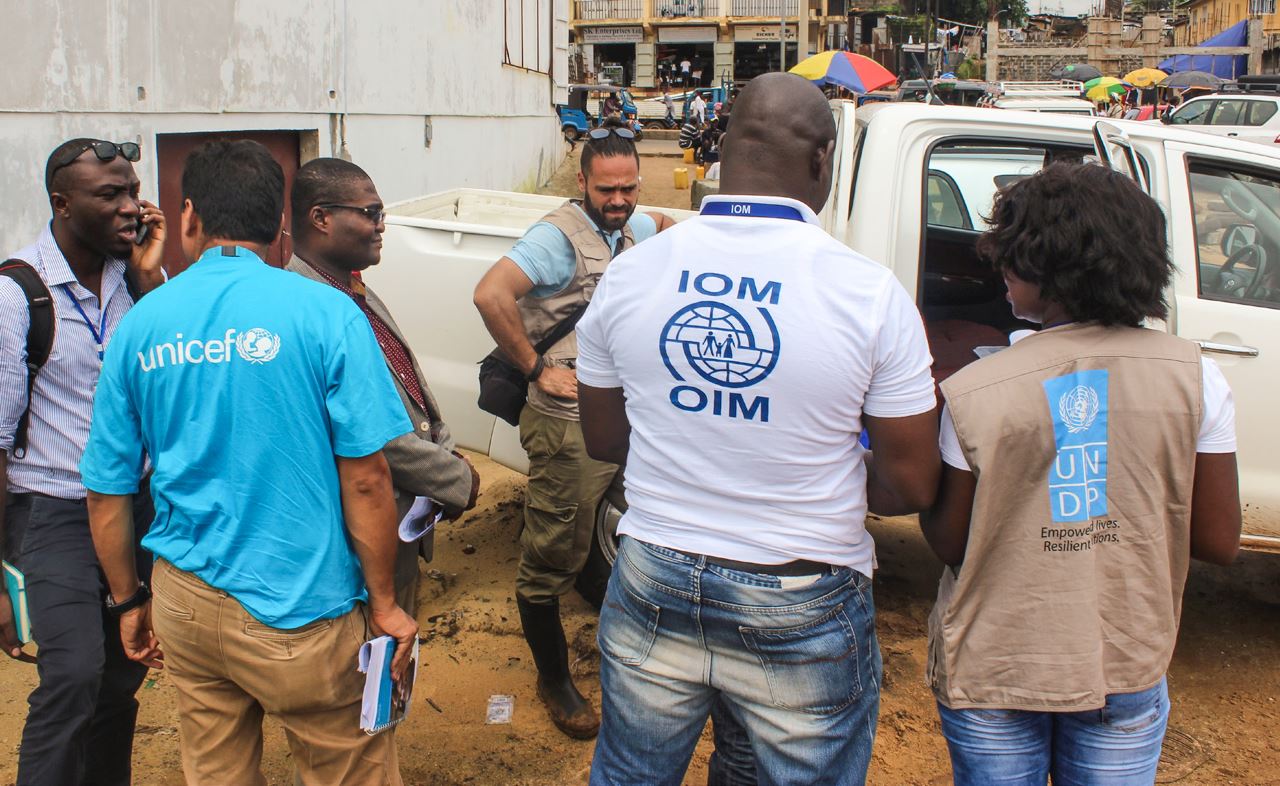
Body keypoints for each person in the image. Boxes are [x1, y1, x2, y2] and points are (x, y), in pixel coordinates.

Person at [575, 72, 941, 786]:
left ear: (726, 152)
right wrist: (801, 465)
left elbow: (605, 440)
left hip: (652, 571)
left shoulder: (632, 273)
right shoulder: (868, 292)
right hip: (800, 593)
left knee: (628, 772)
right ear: (821, 160)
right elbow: (908, 482)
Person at [80, 139, 419, 785]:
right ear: (280, 227)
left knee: (215, 770)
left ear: (188, 218)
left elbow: (107, 489)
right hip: (303, 611)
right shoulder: (324, 312)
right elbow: (370, 479)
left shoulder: (141, 325)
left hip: (184, 604)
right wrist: (383, 603)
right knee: (348, 764)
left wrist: (129, 601)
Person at [920, 162, 1242, 786]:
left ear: (1044, 271)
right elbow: (1217, 541)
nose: (1002, 275)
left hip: (999, 664)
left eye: (1010, 260)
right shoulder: (1196, 377)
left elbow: (951, 542)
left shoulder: (975, 389)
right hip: (1122, 659)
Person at [472, 117, 675, 740]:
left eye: (629, 189)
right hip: (565, 425)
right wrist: (535, 368)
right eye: (606, 190)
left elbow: (665, 229)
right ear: (582, 181)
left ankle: (594, 591)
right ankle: (554, 678)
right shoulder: (555, 239)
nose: (618, 201)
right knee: (550, 548)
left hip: (618, 413)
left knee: (601, 521)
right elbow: (489, 294)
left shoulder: (636, 226)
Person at [0, 138, 165, 786]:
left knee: (122, 676)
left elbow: (170, 374)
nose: (132, 207)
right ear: (62, 204)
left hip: (133, 506)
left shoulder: (140, 279)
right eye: (111, 195)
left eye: (133, 191)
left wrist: (151, 276)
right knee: (72, 673)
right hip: (54, 510)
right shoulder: (17, 296)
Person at [285, 157, 481, 614]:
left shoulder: (353, 290)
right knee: (367, 657)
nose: (381, 227)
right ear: (321, 217)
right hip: (353, 537)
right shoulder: (305, 307)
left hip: (400, 519)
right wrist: (454, 478)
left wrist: (444, 450)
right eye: (370, 214)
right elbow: (376, 433)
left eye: (382, 215)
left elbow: (410, 389)